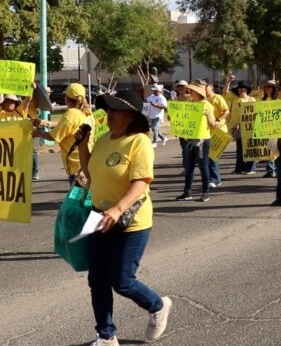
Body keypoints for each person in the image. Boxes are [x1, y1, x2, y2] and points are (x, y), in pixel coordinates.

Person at [76, 90, 172, 346]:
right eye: (107, 109)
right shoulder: (105, 138)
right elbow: (91, 173)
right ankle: (106, 336)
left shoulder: (138, 141)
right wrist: (83, 144)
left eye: (114, 110)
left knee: (122, 281)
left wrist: (118, 208)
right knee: (97, 280)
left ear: (130, 115)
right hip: (99, 216)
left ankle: (158, 305)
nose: (108, 114)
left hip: (131, 220)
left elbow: (141, 180)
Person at [32, 83, 93, 186]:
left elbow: (53, 136)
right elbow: (68, 127)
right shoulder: (87, 112)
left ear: (67, 99)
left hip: (76, 165)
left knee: (77, 201)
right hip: (87, 160)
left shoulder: (71, 114)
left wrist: (39, 133)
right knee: (87, 199)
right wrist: (47, 123)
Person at [176, 83, 216, 202]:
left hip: (202, 139)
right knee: (189, 167)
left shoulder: (207, 105)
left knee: (203, 166)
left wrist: (207, 116)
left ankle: (205, 192)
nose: (189, 92)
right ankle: (187, 192)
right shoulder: (190, 104)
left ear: (198, 93)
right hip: (189, 139)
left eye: (191, 91)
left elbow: (213, 125)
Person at [228, 82, 256, 174]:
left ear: (246, 90)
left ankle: (250, 168)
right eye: (239, 89)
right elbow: (225, 92)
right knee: (240, 148)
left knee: (250, 147)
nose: (241, 91)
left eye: (243, 89)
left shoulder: (252, 99)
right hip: (238, 126)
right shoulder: (236, 100)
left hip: (249, 126)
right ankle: (239, 168)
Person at [205, 82, 229, 188]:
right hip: (207, 130)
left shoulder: (217, 98)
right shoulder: (202, 100)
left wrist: (218, 119)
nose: (204, 90)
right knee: (207, 156)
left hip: (218, 129)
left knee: (212, 155)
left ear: (211, 88)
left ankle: (214, 179)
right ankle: (214, 178)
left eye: (206, 88)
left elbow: (226, 111)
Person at [260, 80, 277, 178]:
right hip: (265, 127)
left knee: (274, 149)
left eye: (269, 87)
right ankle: (270, 170)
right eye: (266, 87)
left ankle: (274, 170)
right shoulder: (263, 99)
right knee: (268, 149)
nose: (267, 88)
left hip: (276, 127)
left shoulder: (277, 99)